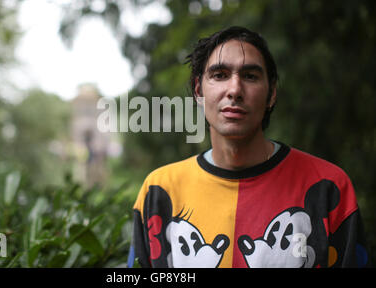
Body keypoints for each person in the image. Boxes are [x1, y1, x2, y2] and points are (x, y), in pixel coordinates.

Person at [127, 26, 368, 268]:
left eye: (250, 76)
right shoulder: (159, 191)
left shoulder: (329, 187)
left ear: (271, 93)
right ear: (199, 91)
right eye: (220, 75)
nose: (234, 90)